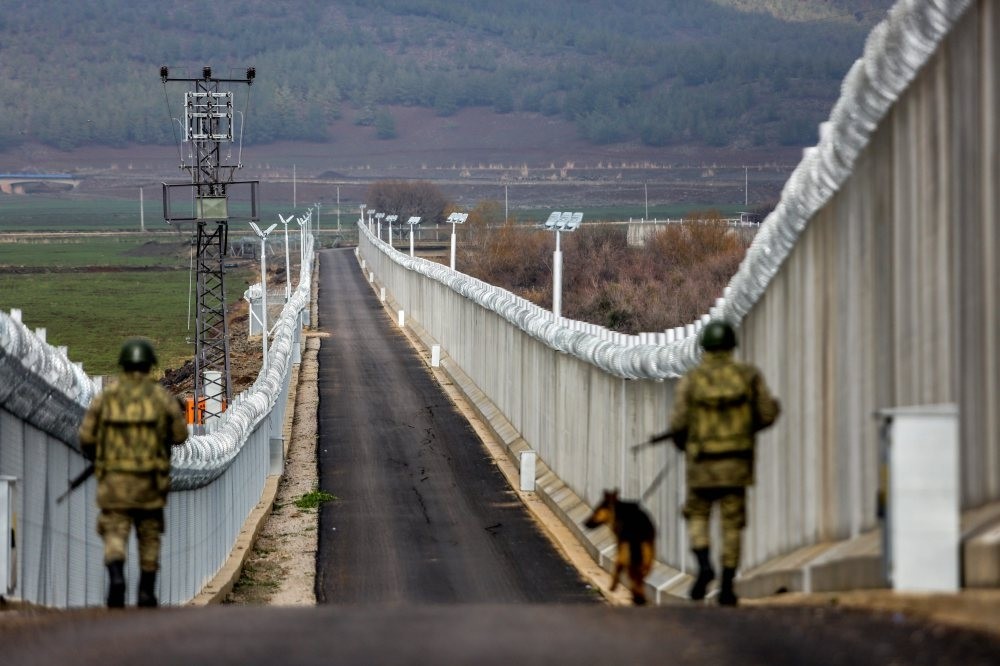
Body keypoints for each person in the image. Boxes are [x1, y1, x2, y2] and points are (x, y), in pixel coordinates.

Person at [667, 320, 780, 606]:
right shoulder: (748, 376)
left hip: (702, 464)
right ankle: (727, 584)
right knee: (732, 522)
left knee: (697, 514)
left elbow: (678, 424)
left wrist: (686, 446)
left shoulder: (692, 380)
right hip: (737, 462)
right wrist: (745, 427)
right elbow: (766, 414)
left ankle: (704, 565)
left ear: (704, 346)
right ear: (731, 346)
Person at [79, 338, 188, 608]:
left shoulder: (106, 398)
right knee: (149, 534)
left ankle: (116, 578)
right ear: (150, 365)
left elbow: (86, 438)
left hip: (115, 481)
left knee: (115, 531)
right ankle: (146, 591)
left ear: (124, 365)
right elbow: (180, 435)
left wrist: (101, 456)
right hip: (150, 481)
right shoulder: (161, 399)